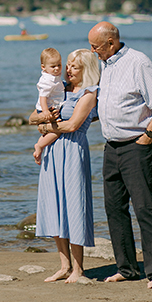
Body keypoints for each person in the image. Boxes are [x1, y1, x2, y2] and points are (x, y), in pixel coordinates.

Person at [88, 22, 152, 290]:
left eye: (96, 47)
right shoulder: (103, 65)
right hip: (111, 147)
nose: (93, 51)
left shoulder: (138, 62)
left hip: (137, 145)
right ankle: (126, 268)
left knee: (145, 208)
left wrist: (148, 134)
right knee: (114, 209)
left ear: (111, 43)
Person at [31, 48, 100, 283]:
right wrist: (42, 121)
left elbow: (72, 126)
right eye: (67, 64)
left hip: (73, 150)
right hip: (52, 151)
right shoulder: (59, 87)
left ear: (86, 69)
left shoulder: (89, 93)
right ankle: (64, 266)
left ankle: (79, 269)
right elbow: (32, 116)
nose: (67, 69)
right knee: (54, 205)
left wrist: (45, 127)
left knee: (74, 205)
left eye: (73, 66)